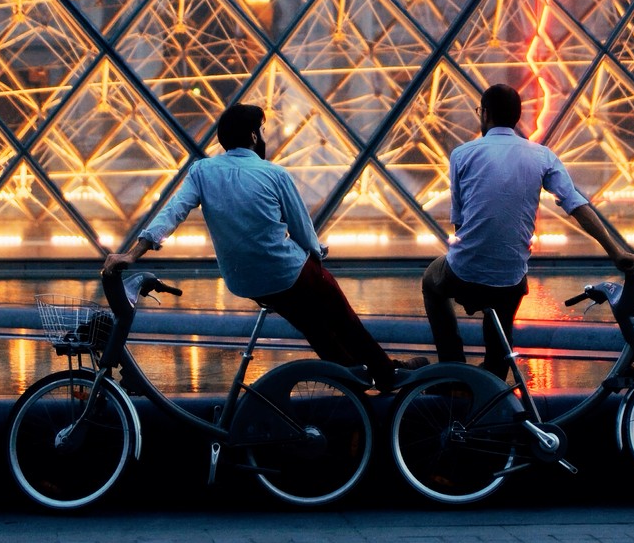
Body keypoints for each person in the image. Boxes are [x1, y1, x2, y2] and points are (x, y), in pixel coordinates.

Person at [102, 103, 423, 391]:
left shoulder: (201, 171)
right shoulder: (273, 174)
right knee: (342, 317)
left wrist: (133, 253)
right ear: (254, 136)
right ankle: (386, 374)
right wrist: (318, 256)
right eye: (262, 130)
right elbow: (303, 232)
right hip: (287, 271)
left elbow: (172, 213)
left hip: (243, 282)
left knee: (312, 324)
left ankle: (350, 376)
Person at [423, 84, 634, 377]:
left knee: (431, 281)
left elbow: (460, 222)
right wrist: (616, 252)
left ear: (484, 114)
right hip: (511, 276)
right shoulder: (542, 156)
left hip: (466, 270)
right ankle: (495, 397)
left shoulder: (462, 154)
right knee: (500, 334)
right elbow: (576, 204)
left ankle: (452, 370)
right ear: (517, 117)